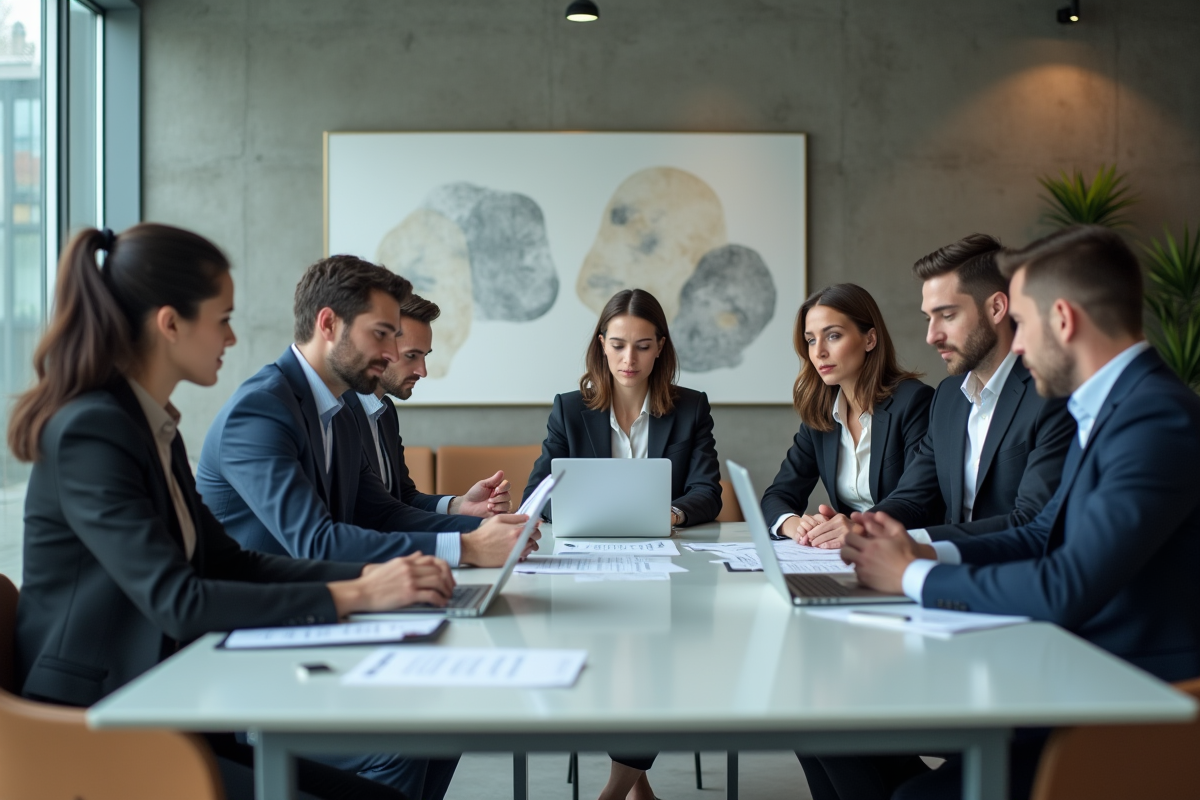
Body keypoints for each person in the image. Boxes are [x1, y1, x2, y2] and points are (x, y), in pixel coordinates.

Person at [8, 224, 457, 800]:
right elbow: (179, 599)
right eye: (221, 318)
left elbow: (230, 560)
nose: (231, 336)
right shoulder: (93, 430)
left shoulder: (150, 426)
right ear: (170, 323)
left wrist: (376, 579)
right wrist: (358, 594)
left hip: (171, 702)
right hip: (98, 721)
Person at [842, 225, 1200, 800]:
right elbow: (1040, 532)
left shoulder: (1155, 419)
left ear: (1063, 320)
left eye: (1024, 325)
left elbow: (1067, 584)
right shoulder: (1111, 406)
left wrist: (911, 575)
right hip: (1080, 678)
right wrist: (922, 551)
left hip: (1133, 703)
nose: (1017, 344)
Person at [196, 255, 534, 570]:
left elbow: (383, 514)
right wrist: (468, 547)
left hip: (323, 601)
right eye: (380, 334)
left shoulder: (338, 411)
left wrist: (486, 528)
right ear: (328, 324)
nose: (390, 353)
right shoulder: (260, 410)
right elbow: (315, 542)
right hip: (256, 620)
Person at [522, 288, 722, 800]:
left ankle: (614, 790)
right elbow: (536, 497)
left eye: (641, 346)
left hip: (666, 570)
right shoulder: (569, 411)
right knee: (628, 656)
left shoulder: (690, 409)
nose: (628, 359)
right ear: (601, 347)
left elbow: (707, 494)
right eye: (617, 346)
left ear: (660, 348)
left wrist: (672, 512)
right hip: (587, 570)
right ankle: (637, 788)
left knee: (648, 652)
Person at [862, 235, 1076, 546]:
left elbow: (1031, 520)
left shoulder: (1051, 394)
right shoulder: (948, 396)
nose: (932, 336)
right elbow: (913, 498)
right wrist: (863, 528)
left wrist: (915, 544)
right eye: (929, 318)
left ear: (997, 308)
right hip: (946, 574)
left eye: (947, 316)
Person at [760, 283, 935, 550]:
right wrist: (795, 525)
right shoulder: (821, 413)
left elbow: (918, 499)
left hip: (906, 552)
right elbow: (778, 495)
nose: (818, 352)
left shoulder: (913, 401)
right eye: (810, 340)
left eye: (833, 336)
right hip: (846, 557)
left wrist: (859, 526)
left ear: (870, 339)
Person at [344, 293, 512, 515]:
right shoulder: (338, 414)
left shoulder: (385, 413)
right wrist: (476, 531)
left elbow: (403, 498)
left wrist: (459, 506)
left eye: (425, 356)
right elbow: (373, 517)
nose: (422, 371)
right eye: (411, 355)